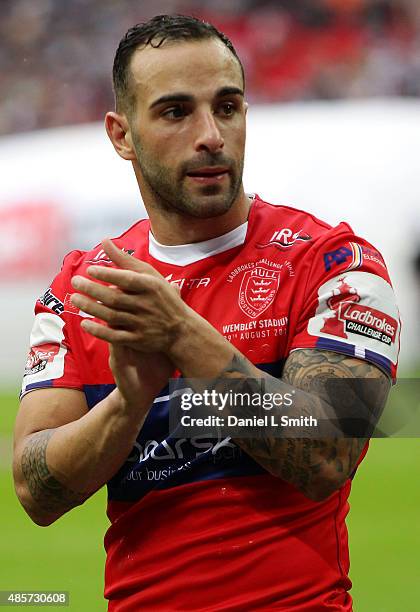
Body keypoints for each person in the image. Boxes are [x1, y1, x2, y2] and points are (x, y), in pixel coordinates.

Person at [14, 14, 400, 611]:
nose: (212, 135)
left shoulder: (334, 265)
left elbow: (326, 450)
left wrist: (181, 335)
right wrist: (127, 404)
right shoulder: (85, 289)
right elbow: (35, 489)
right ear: (121, 135)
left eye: (227, 106)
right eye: (176, 112)